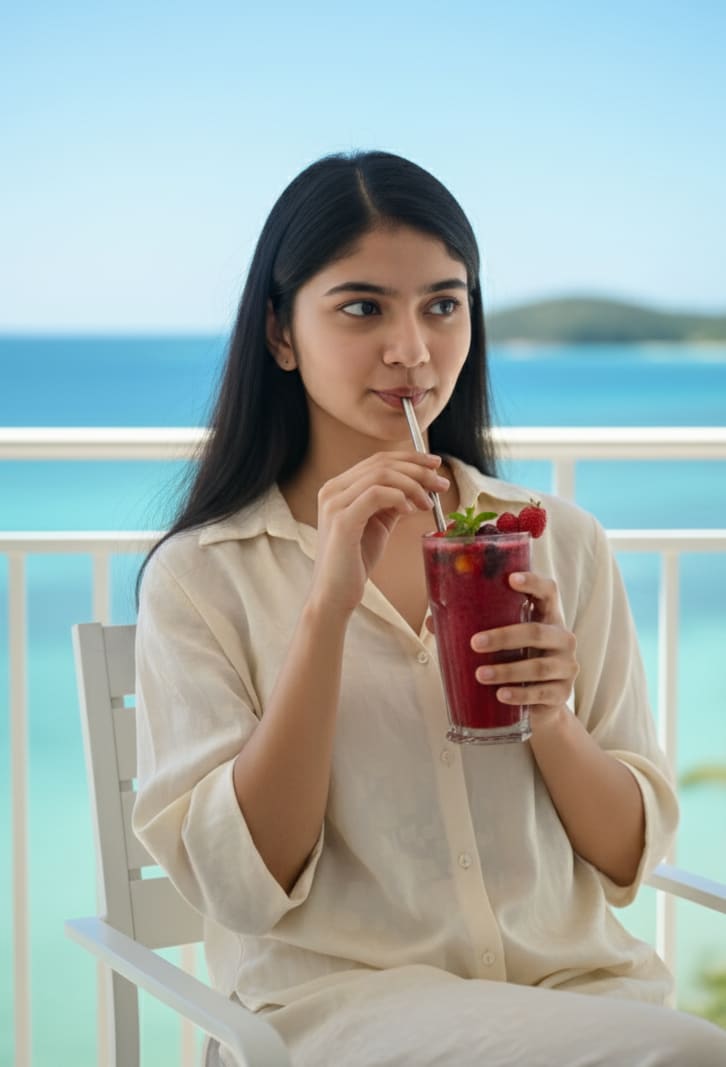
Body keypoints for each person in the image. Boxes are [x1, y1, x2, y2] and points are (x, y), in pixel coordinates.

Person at [133, 150, 726, 1066]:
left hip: (581, 998)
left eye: (443, 305)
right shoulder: (203, 577)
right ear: (281, 333)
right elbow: (246, 886)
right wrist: (326, 611)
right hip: (341, 1017)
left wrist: (551, 716)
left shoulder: (556, 541)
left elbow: (625, 860)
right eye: (363, 307)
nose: (411, 348)